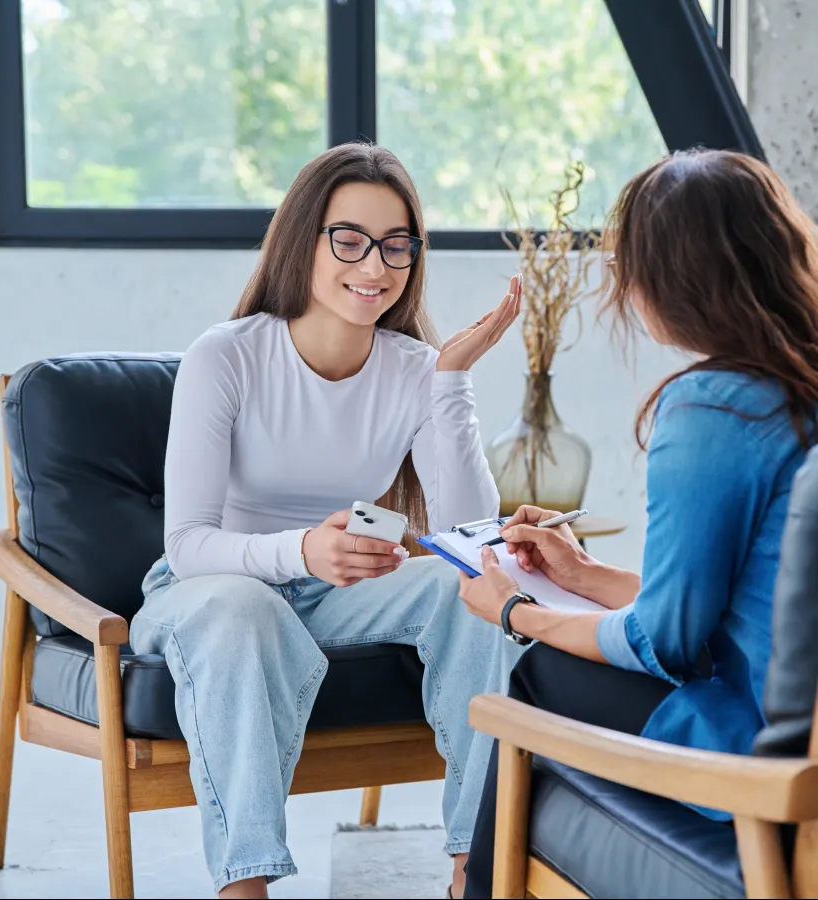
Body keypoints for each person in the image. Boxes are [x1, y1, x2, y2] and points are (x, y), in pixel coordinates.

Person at [129, 142, 523, 899]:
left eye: (396, 245)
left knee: (469, 590)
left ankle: (475, 870)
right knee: (243, 607)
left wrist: (452, 381)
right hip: (211, 586)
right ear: (302, 238)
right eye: (350, 240)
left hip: (338, 588)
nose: (374, 266)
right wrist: (302, 550)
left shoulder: (414, 368)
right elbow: (186, 545)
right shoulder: (227, 357)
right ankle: (245, 886)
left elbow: (471, 539)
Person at [459, 149, 818, 898]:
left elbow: (669, 642)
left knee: (539, 671)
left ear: (668, 281)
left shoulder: (714, 407)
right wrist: (585, 576)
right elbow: (742, 604)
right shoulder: (797, 383)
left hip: (764, 761)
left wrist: (517, 610)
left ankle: (472, 889)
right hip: (801, 737)